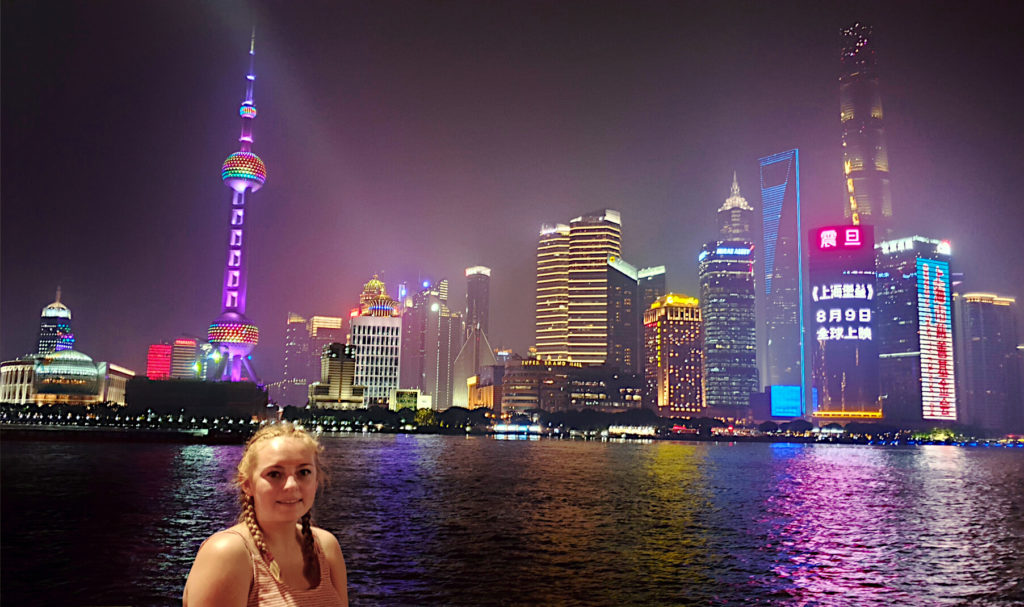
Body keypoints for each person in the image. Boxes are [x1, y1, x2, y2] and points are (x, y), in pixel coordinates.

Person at [183, 422, 348, 606]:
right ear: (247, 484)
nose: (292, 485)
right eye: (275, 474)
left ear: (316, 482)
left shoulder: (326, 548)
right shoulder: (228, 554)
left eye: (304, 472)